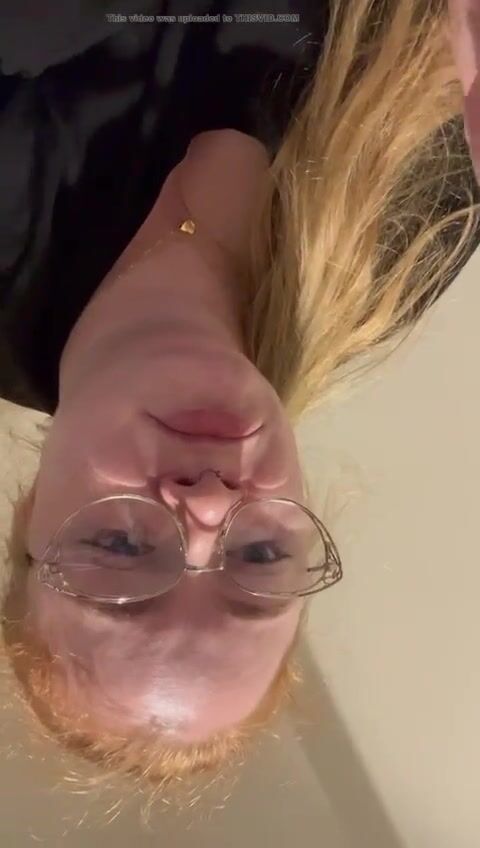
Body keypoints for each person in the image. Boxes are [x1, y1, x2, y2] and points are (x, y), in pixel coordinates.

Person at [1, 0, 479, 791]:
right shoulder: (390, 264)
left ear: (28, 514)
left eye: (122, 548)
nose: (211, 504)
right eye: (257, 558)